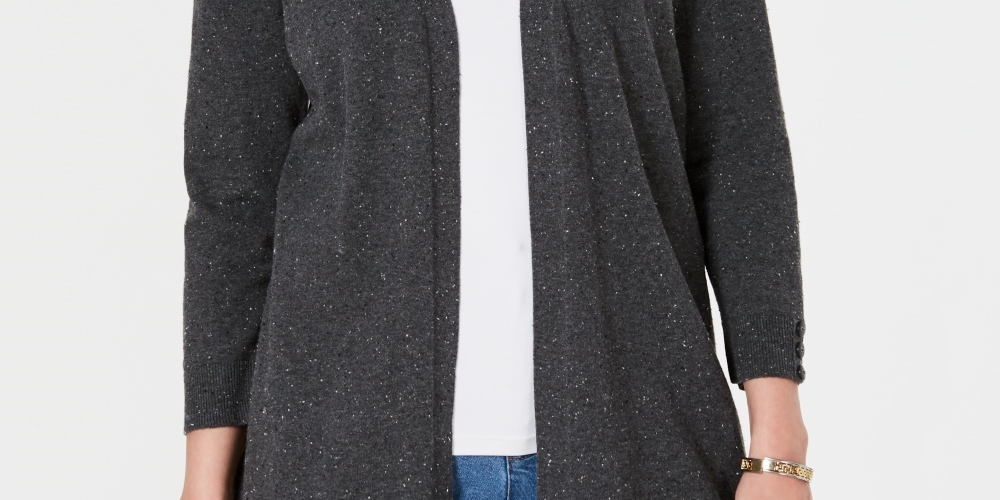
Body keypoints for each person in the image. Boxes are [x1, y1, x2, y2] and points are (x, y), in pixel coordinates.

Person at [178, 1, 812, 499]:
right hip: (340, 449)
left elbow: (740, 151)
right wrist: (205, 479)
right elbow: (232, 202)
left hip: (642, 442)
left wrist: (779, 449)